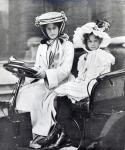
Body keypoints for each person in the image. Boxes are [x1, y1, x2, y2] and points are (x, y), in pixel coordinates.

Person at [41, 21, 115, 149]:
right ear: (86, 43)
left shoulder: (104, 56)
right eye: (90, 41)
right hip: (84, 83)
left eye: (95, 41)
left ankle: (63, 134)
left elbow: (104, 76)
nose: (93, 44)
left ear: (100, 42)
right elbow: (82, 76)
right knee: (61, 93)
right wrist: (77, 82)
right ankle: (62, 132)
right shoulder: (84, 58)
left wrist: (90, 83)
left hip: (97, 86)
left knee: (65, 96)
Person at [15, 11, 74, 148]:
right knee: (24, 92)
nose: (52, 31)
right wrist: (29, 74)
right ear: (44, 30)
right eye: (49, 29)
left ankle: (43, 135)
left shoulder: (67, 45)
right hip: (44, 80)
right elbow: (38, 66)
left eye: (54, 28)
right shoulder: (42, 46)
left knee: (38, 97)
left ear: (60, 27)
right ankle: (29, 134)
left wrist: (46, 74)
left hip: (61, 81)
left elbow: (65, 70)